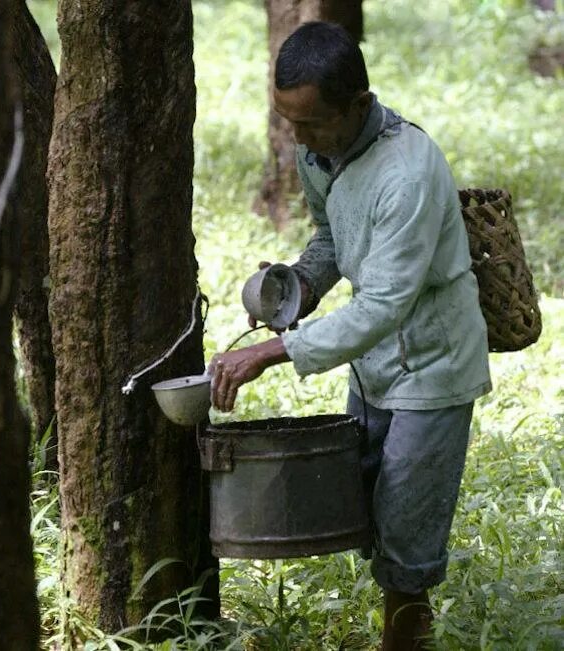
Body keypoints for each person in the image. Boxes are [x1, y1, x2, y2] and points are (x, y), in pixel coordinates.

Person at [207, 21, 491, 651]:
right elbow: (333, 239)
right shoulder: (321, 154)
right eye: (287, 122)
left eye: (310, 124)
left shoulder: (407, 174)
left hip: (433, 371)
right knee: (372, 514)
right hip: (375, 367)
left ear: (359, 106)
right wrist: (295, 289)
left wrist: (272, 352)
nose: (297, 142)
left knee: (406, 548)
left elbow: (385, 303)